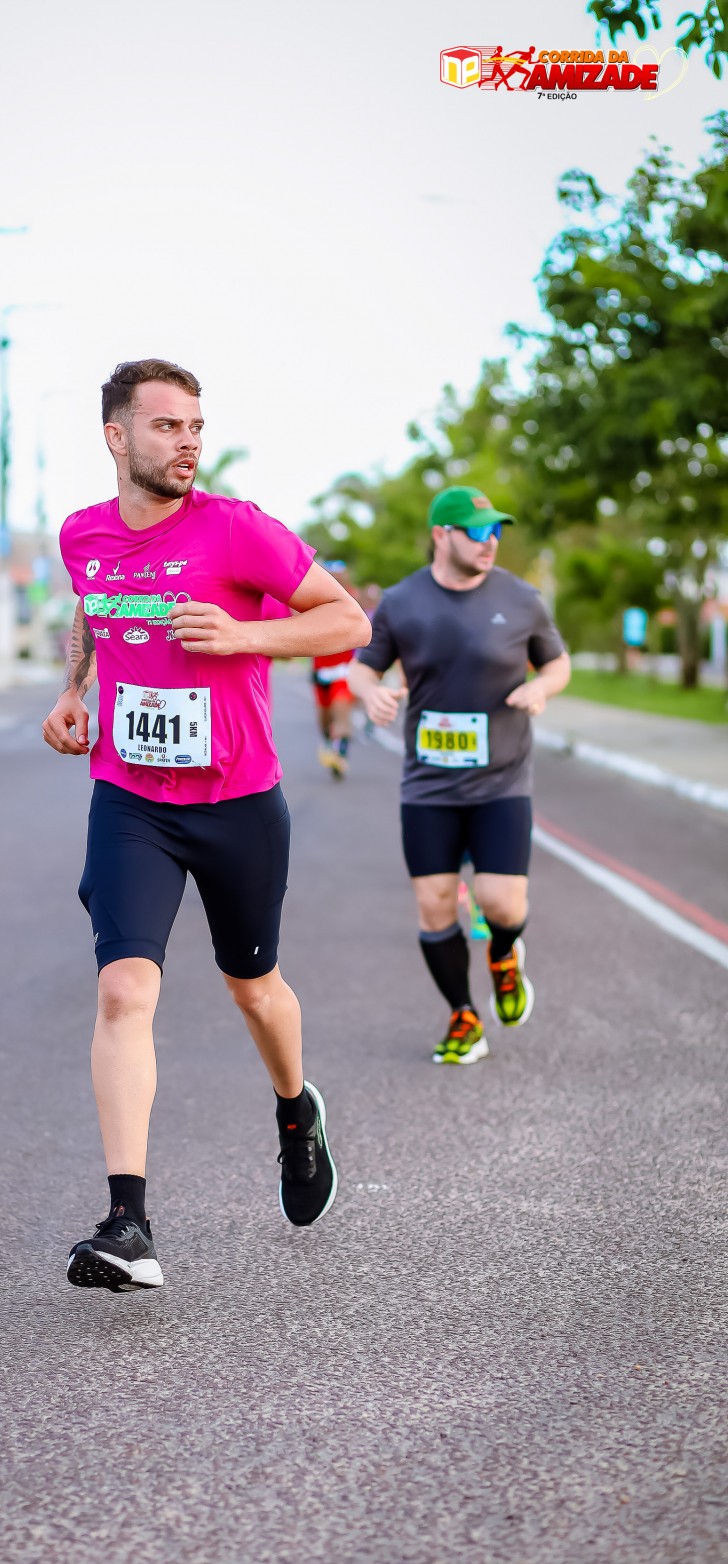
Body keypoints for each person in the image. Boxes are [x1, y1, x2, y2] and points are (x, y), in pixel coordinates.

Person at [42, 359, 370, 1291]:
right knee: (123, 992)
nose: (188, 442)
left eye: (195, 426)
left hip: (237, 801)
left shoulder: (237, 528)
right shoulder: (82, 534)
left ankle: (295, 1110)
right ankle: (128, 1223)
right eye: (167, 426)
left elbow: (344, 621)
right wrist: (72, 691)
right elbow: (96, 607)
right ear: (117, 437)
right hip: (132, 798)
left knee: (252, 987)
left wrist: (245, 635)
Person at [350, 486, 570, 1065]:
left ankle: (504, 955)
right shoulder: (402, 601)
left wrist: (541, 688)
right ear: (441, 535)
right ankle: (463, 1016)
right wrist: (371, 693)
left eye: (495, 530)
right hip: (428, 786)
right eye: (476, 531)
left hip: (501, 781)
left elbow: (558, 663)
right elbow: (362, 668)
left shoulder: (521, 598)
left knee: (502, 905)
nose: (489, 541)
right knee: (436, 907)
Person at [311, 564, 358, 779]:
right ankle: (328, 742)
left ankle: (341, 756)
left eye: (340, 574)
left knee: (341, 715)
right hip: (321, 671)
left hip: (343, 672)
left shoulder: (351, 599)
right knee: (324, 720)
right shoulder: (313, 598)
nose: (336, 577)